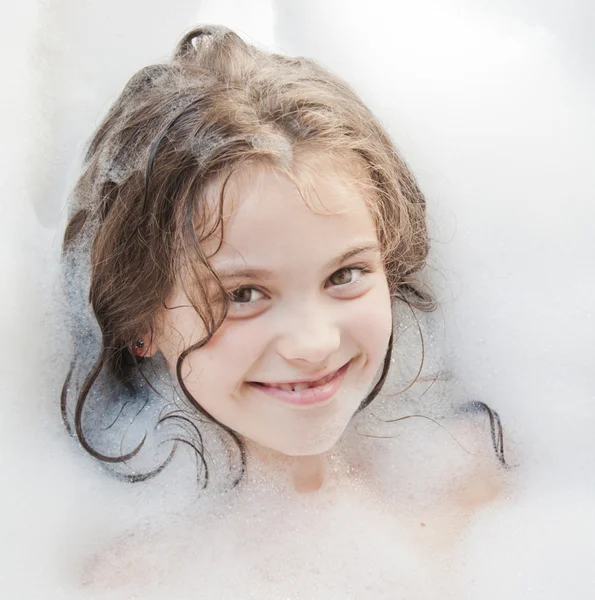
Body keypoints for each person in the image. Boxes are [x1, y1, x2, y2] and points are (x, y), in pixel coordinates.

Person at [61, 23, 506, 499]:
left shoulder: (485, 478)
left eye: (344, 274)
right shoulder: (123, 567)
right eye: (242, 294)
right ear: (139, 323)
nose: (313, 345)